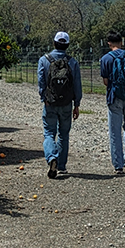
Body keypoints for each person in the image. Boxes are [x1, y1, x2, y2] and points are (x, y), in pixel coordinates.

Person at [37, 31, 82, 179]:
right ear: (67, 45)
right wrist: (77, 104)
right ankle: (61, 166)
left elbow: (41, 82)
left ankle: (51, 158)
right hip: (67, 103)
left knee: (49, 132)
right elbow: (77, 85)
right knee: (64, 134)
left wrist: (44, 97)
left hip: (50, 102)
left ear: (54, 43)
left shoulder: (44, 60)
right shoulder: (72, 62)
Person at [100, 32, 125, 175]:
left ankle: (118, 165)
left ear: (109, 43)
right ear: (121, 42)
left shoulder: (106, 59)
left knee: (115, 131)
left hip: (115, 98)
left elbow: (106, 81)